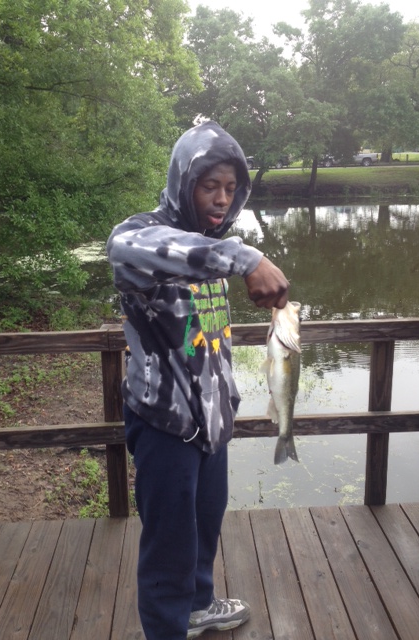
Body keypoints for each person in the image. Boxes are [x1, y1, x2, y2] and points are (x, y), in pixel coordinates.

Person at [107, 120, 290, 640]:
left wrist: (228, 397)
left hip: (212, 419)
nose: (221, 199)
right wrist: (246, 256)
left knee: (205, 522)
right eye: (210, 186)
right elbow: (129, 249)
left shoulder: (210, 244)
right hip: (165, 423)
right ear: (183, 182)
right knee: (169, 543)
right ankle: (167, 627)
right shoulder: (141, 235)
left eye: (231, 189)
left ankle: (199, 605)